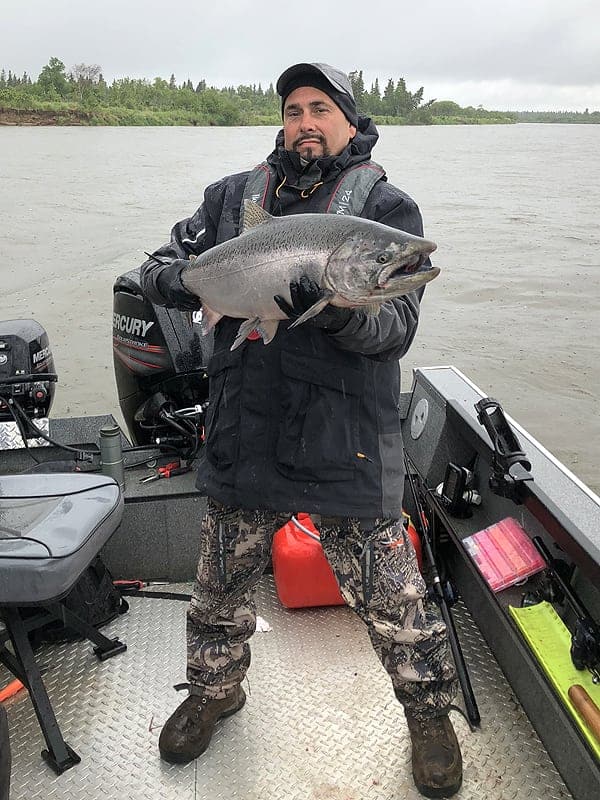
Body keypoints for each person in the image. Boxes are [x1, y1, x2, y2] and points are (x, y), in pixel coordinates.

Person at [140, 62, 462, 798]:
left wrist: (339, 311)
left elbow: (396, 331)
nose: (305, 122)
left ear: (349, 121)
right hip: (245, 425)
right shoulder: (230, 199)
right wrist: (177, 280)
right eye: (293, 110)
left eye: (321, 108)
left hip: (345, 436)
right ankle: (215, 690)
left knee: (394, 599)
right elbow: (160, 263)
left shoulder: (388, 211)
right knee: (218, 589)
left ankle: (428, 715)